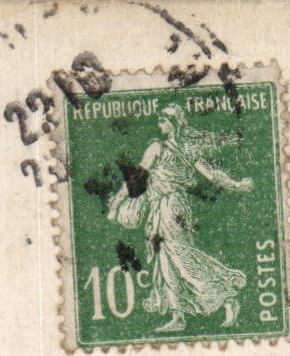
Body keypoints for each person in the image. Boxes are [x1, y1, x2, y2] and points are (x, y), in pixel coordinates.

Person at [108, 104, 252, 331]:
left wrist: (116, 203)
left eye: (163, 121)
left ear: (173, 124)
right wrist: (236, 185)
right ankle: (179, 315)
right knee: (166, 259)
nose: (159, 125)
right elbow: (213, 176)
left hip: (171, 208)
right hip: (162, 208)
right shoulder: (180, 149)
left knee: (179, 256)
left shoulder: (159, 148)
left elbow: (136, 179)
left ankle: (225, 294)